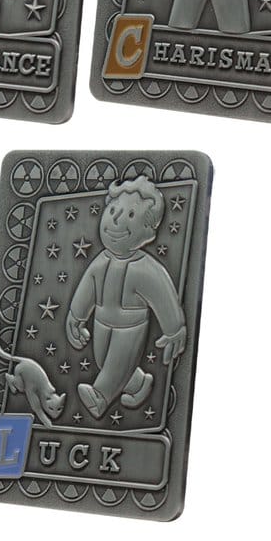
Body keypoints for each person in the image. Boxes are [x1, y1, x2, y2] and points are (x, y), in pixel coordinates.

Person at [65, 176, 186, 420]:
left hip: (130, 329)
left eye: (130, 215)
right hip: (101, 321)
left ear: (149, 232)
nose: (116, 220)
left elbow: (164, 296)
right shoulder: (100, 262)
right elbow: (87, 288)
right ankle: (139, 384)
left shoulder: (146, 270)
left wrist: (174, 329)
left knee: (114, 367)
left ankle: (100, 397)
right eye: (112, 211)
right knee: (104, 362)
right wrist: (76, 316)